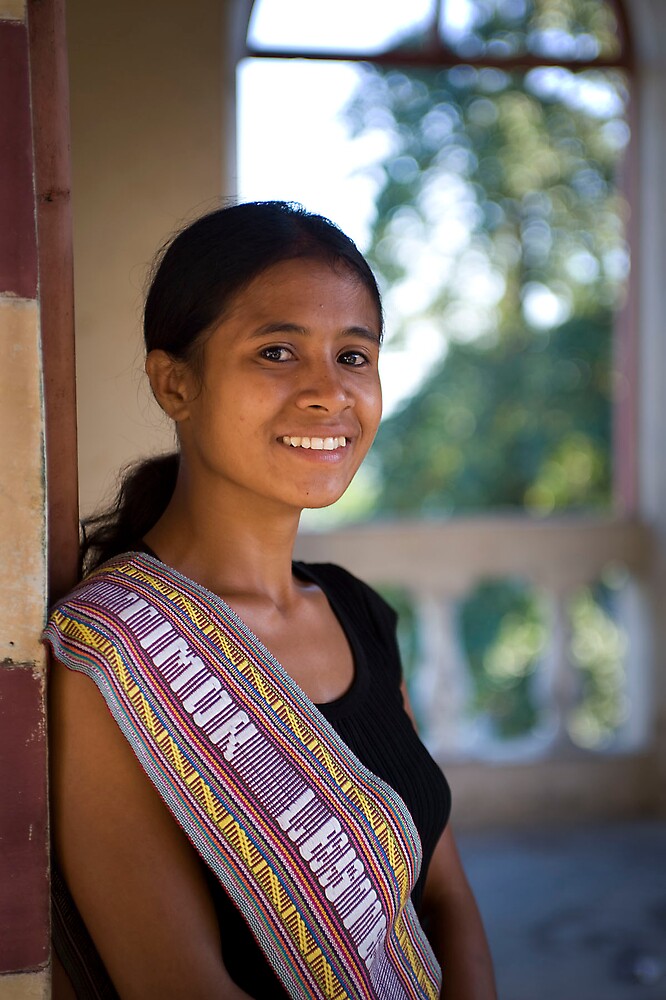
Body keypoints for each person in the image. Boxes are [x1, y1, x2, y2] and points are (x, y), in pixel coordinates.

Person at [44, 201, 497, 999]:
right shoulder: (114, 656)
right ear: (174, 382)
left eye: (354, 355)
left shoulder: (358, 614)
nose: (329, 393)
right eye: (278, 351)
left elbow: (446, 896)